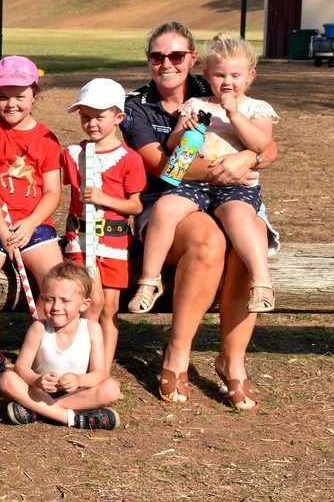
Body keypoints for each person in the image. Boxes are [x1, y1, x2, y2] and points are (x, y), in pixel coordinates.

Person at [121, 21, 278, 411]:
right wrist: (227, 166)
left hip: (230, 195)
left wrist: (249, 157)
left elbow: (269, 149)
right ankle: (178, 351)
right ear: (149, 61)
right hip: (168, 198)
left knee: (247, 237)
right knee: (211, 241)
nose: (167, 64)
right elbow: (162, 166)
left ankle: (233, 360)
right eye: (158, 57)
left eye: (176, 56)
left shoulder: (215, 87)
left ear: (192, 60)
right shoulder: (136, 104)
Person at [131, 34, 279, 315]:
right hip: (194, 183)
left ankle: (262, 281)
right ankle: (149, 280)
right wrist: (183, 130)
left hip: (237, 186)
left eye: (235, 75)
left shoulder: (256, 109)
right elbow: (174, 151)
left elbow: (262, 146)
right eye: (220, 75)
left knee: (239, 216)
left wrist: (234, 114)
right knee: (165, 208)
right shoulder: (196, 105)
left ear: (250, 76)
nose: (227, 82)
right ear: (208, 75)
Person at [0, 56, 62, 393]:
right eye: (3, 95)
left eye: (19, 95)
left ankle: (50, 353)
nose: (11, 103)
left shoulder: (48, 139)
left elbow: (52, 193)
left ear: (34, 94)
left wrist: (28, 224)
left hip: (32, 224)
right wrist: (4, 231)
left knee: (57, 280)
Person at [60, 78, 145, 368]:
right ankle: (76, 362)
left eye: (99, 116)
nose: (91, 124)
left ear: (118, 117)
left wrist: (103, 198)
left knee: (108, 307)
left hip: (113, 242)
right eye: (85, 117)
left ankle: (102, 368)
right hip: (79, 240)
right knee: (80, 303)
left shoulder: (129, 159)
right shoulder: (72, 154)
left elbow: (135, 205)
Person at [0, 263, 122, 429]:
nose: (56, 307)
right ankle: (74, 419)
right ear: (42, 299)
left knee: (111, 389)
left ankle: (38, 410)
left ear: (84, 304)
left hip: (77, 393)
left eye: (65, 300)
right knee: (7, 379)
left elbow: (100, 373)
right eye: (49, 299)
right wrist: (36, 380)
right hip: (40, 391)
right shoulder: (39, 328)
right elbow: (21, 367)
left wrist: (79, 379)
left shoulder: (92, 329)